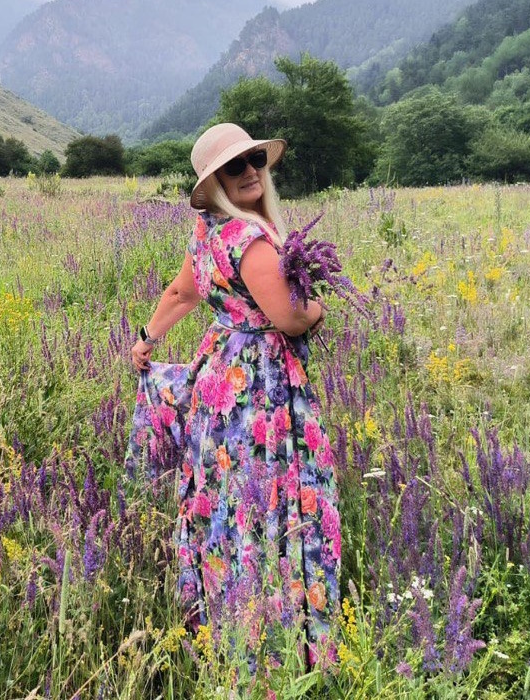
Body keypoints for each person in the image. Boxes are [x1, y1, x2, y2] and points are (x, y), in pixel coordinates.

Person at [128, 122, 341, 668]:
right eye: (234, 167)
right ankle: (280, 636)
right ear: (215, 182)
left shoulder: (208, 232)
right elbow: (290, 319)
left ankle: (227, 621)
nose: (249, 172)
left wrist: (147, 339)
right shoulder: (249, 240)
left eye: (254, 162)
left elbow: (182, 292)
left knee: (231, 498)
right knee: (274, 497)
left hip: (220, 383)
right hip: (261, 387)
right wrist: (319, 307)